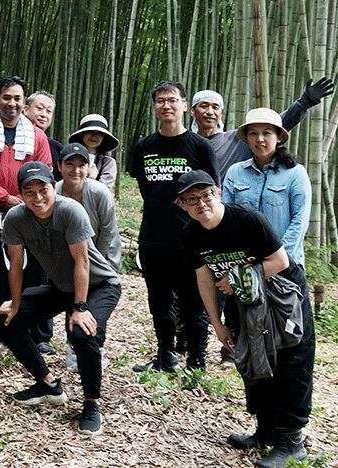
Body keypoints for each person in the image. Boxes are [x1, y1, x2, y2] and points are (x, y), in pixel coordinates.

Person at [178, 171, 314, 468]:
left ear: (217, 192)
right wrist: (216, 322)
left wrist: (237, 278)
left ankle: (292, 440)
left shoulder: (247, 220)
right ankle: (265, 430)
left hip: (282, 295)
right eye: (192, 199)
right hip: (246, 300)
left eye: (206, 195)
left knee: (292, 359)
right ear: (182, 205)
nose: (201, 203)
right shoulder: (191, 234)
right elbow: (204, 277)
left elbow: (281, 261)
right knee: (253, 359)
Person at [0, 162, 122, 436]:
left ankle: (91, 403)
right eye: (30, 192)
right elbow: (16, 265)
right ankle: (48, 384)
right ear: (21, 193)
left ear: (54, 187)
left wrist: (80, 307)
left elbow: (82, 262)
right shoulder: (16, 218)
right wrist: (15, 305)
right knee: (5, 321)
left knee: (82, 333)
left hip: (99, 285)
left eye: (44, 190)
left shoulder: (70, 210)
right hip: (61, 286)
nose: (38, 198)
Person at [129, 80, 218, 372]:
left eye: (172, 100)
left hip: (191, 237)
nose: (166, 106)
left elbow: (212, 191)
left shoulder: (200, 146)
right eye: (160, 101)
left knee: (196, 300)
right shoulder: (144, 146)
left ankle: (196, 360)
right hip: (154, 236)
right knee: (159, 300)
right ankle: (166, 355)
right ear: (155, 106)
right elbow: (147, 189)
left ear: (183, 105)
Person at [0, 75, 53, 356]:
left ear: (24, 104)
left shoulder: (38, 136)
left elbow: (45, 171)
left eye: (17, 98)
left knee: (35, 275)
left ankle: (36, 336)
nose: (12, 103)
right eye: (7, 97)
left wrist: (26, 200)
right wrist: (4, 197)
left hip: (30, 214)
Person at [56, 143, 123, 373]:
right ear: (59, 167)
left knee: (95, 306)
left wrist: (98, 263)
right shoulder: (53, 192)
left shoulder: (98, 192)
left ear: (89, 167)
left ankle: (95, 347)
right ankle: (74, 349)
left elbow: (108, 231)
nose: (76, 170)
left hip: (102, 257)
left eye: (81, 165)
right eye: (70, 165)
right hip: (69, 258)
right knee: (72, 300)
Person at [191, 77, 333, 180]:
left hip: (228, 213)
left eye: (215, 107)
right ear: (192, 111)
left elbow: (277, 123)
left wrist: (305, 102)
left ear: (221, 113)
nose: (210, 111)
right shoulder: (183, 141)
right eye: (203, 105)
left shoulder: (236, 140)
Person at [223, 109, 311, 269]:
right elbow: (227, 219)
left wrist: (280, 259)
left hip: (287, 264)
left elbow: (300, 221)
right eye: (253, 134)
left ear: (278, 138)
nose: (260, 139)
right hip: (245, 265)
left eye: (267, 133)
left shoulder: (295, 173)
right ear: (247, 139)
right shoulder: (235, 172)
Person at [66, 114, 120, 190]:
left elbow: (103, 190)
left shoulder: (108, 163)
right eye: (90, 132)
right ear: (82, 134)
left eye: (99, 133)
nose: (94, 136)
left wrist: (91, 179)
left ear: (103, 137)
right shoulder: (68, 158)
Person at [25, 90, 61, 169]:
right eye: (40, 108)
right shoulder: (13, 138)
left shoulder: (57, 148)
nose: (44, 114)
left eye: (49, 111)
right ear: (26, 110)